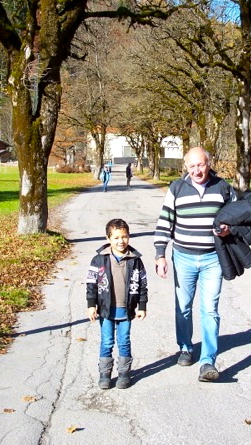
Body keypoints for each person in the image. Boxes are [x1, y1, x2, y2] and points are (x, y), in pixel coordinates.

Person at [154, 147, 236, 382]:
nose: (197, 171)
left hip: (213, 258)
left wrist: (229, 229)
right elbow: (164, 222)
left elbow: (237, 216)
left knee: (210, 309)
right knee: (184, 307)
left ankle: (208, 360)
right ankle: (185, 348)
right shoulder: (177, 188)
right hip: (183, 257)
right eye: (192, 166)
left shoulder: (223, 187)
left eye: (200, 165)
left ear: (209, 163)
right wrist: (160, 254)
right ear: (186, 167)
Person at [86, 218, 148, 389]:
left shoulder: (135, 260)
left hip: (126, 309)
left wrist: (141, 306)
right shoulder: (99, 260)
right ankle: (105, 374)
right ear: (108, 238)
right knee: (106, 341)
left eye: (125, 237)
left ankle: (123, 373)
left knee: (124, 341)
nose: (121, 241)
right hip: (106, 310)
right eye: (116, 237)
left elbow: (143, 284)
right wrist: (91, 305)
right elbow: (91, 284)